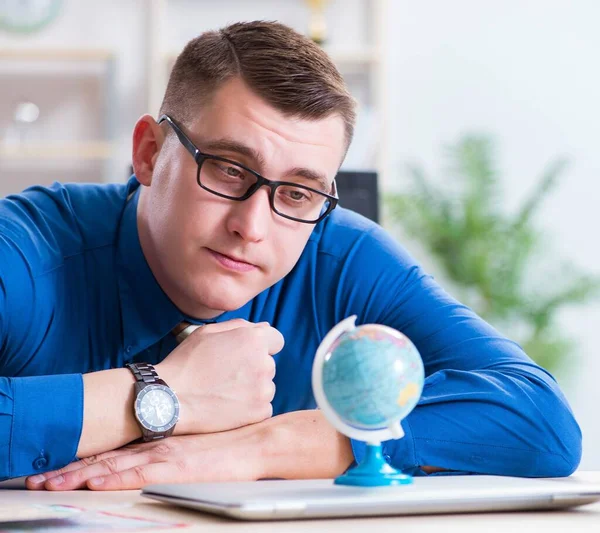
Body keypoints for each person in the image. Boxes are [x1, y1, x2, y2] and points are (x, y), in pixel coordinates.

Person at [0, 21, 581, 491]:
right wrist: (156, 397)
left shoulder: (341, 258)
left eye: (298, 192)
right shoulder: (26, 252)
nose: (252, 227)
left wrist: (265, 446)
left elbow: (541, 422)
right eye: (227, 169)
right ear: (149, 152)